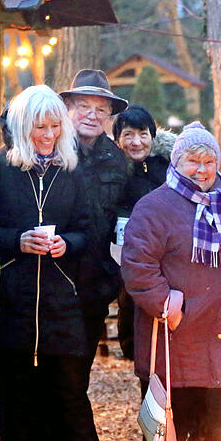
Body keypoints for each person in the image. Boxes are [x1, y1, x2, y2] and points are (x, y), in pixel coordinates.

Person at [0, 85, 108, 441]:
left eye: (56, 126)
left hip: (61, 298)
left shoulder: (71, 172)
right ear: (21, 126)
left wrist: (63, 246)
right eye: (41, 127)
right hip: (13, 298)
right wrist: (18, 241)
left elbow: (89, 230)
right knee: (17, 392)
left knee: (72, 389)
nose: (49, 134)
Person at [121, 122, 221, 441]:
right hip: (176, 343)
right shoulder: (154, 207)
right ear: (176, 163)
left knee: (220, 438)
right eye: (193, 161)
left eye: (209, 161)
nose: (201, 169)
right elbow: (137, 266)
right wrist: (168, 304)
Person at [60, 69, 128, 358]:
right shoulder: (53, 150)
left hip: (96, 283)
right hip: (56, 279)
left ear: (110, 114)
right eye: (83, 106)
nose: (92, 115)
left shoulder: (118, 159)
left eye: (100, 109)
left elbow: (124, 220)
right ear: (68, 109)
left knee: (81, 364)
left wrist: (113, 277)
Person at [111, 105, 173, 360]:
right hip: (123, 255)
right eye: (128, 135)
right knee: (131, 307)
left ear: (153, 136)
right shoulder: (112, 169)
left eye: (142, 134)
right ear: (118, 139)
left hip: (168, 255)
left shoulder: (170, 165)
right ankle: (136, 354)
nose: (136, 142)